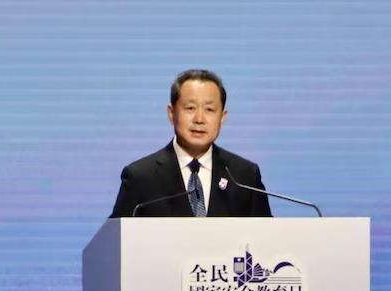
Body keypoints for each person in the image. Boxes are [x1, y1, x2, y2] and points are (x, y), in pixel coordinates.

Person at [110, 69, 271, 218]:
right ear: (171, 113)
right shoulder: (140, 177)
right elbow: (115, 236)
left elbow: (266, 235)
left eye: (209, 109)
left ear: (222, 116)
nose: (199, 119)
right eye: (190, 108)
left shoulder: (245, 177)